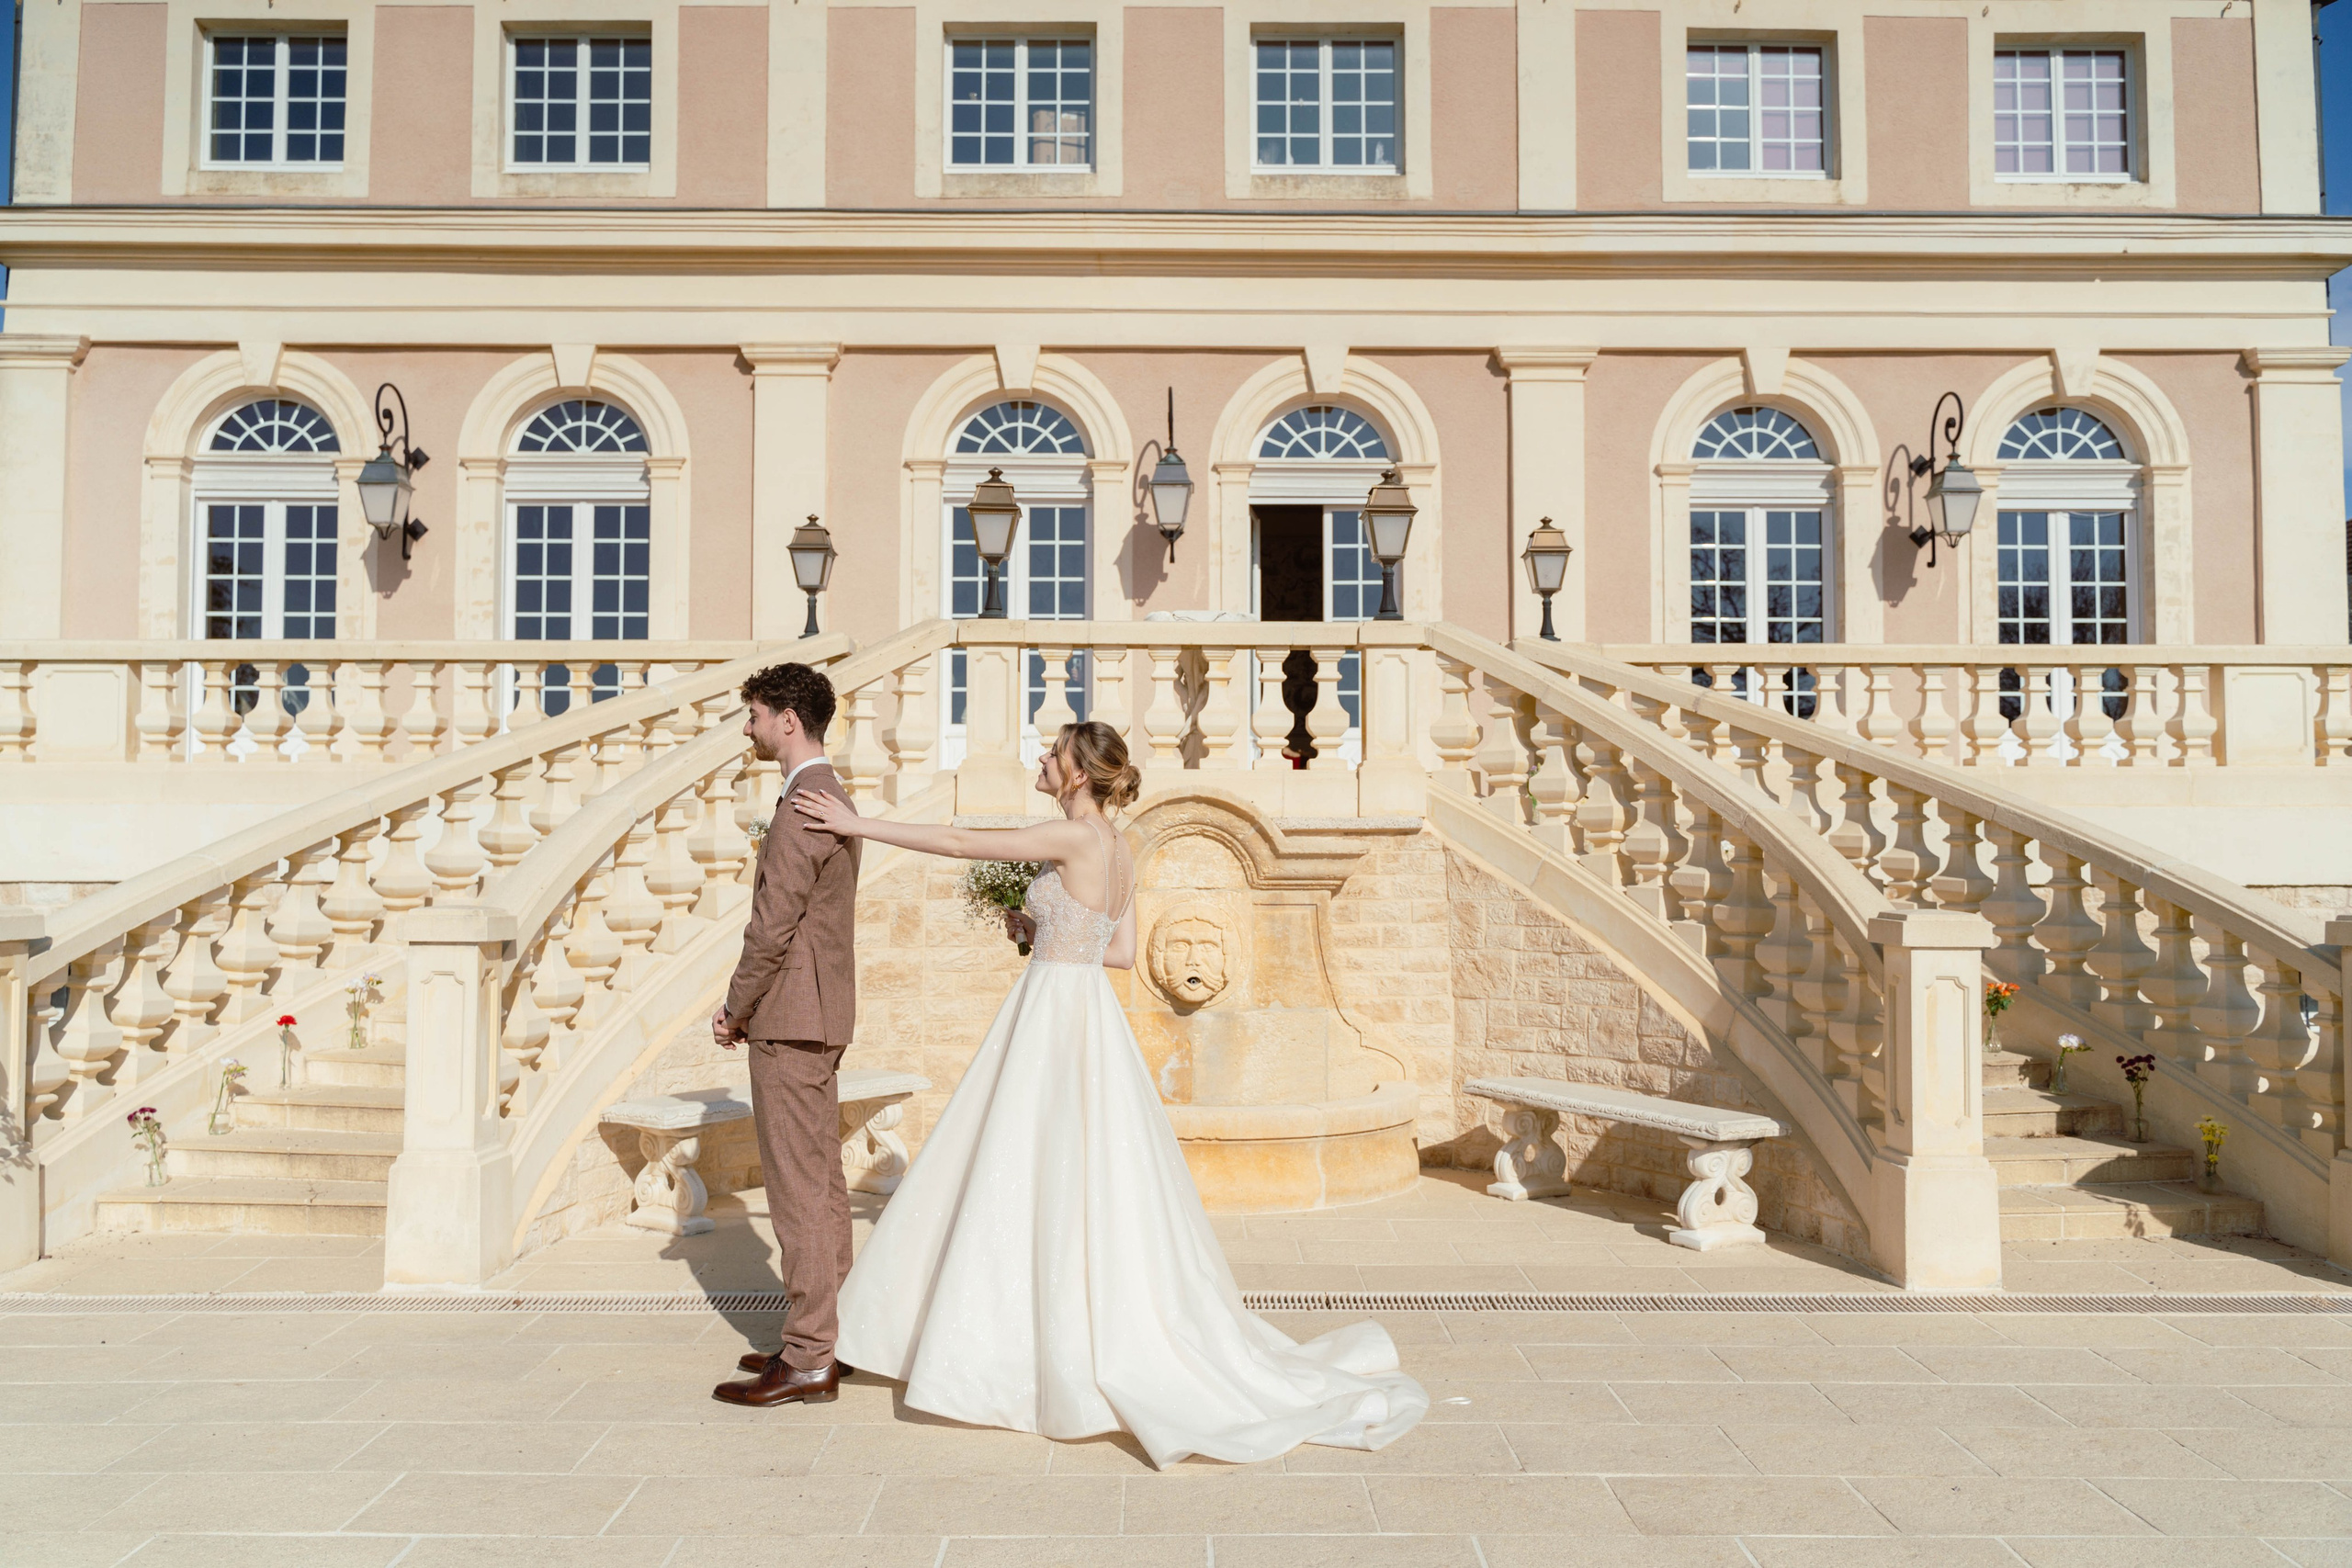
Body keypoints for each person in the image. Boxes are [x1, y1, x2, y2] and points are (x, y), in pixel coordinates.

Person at [788, 719, 1428, 1467]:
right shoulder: (1118, 849)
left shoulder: (1079, 836)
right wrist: (1038, 925)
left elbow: (962, 844)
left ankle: (1012, 1344)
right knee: (1070, 1172)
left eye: (1051, 754)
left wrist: (854, 821)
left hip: (1054, 1014)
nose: (1039, 758)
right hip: (1086, 1007)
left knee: (1019, 1162)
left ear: (1078, 773)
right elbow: (1119, 952)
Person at [708, 662, 862, 1409]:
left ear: (788, 720)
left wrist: (736, 1007)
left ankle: (808, 1357)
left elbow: (772, 927)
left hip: (794, 1016)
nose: (748, 726)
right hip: (818, 1013)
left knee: (799, 1188)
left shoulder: (806, 802)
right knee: (823, 1182)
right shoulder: (824, 795)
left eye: (756, 713)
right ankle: (830, 1333)